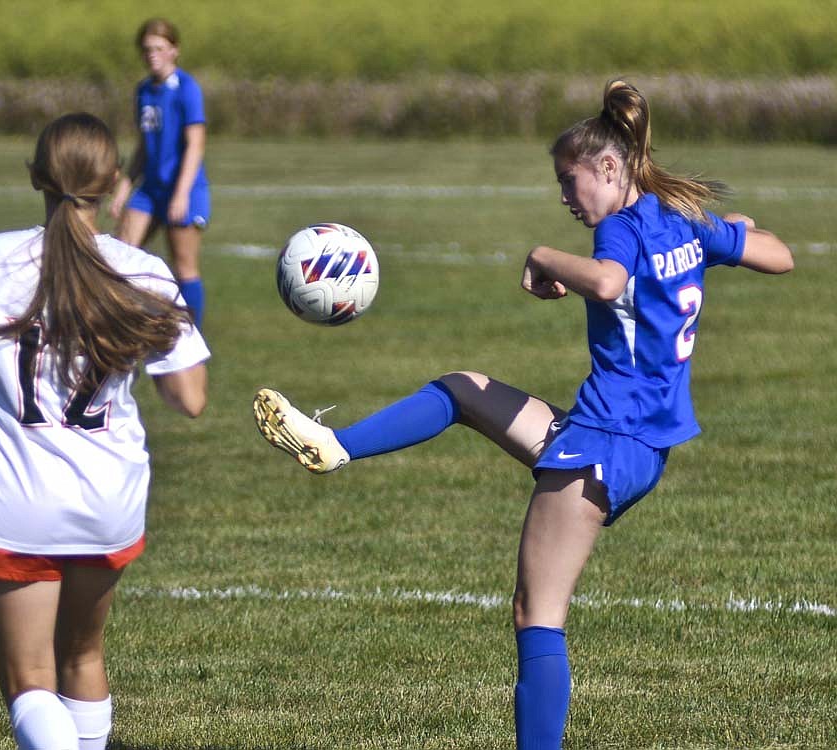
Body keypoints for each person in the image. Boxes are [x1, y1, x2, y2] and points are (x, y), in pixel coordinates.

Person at [252, 80, 793, 749]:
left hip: (602, 441)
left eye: (570, 183)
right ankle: (335, 444)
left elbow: (611, 281)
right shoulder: (678, 217)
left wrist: (542, 258)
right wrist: (725, 235)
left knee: (538, 616)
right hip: (635, 442)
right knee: (463, 390)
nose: (566, 198)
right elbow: (779, 254)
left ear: (607, 167)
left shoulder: (621, 228)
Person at [0, 113, 210, 750]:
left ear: (35, 179)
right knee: (82, 657)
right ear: (114, 186)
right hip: (107, 500)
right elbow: (188, 397)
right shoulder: (143, 272)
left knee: (31, 679)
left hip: (14, 499)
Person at [109, 17, 211, 330]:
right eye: (146, 49)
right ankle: (122, 329)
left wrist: (180, 195)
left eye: (159, 48)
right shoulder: (144, 91)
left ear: (174, 50)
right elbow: (144, 146)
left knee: (184, 268)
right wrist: (123, 190)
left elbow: (195, 145)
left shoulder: (186, 88)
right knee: (117, 259)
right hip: (150, 190)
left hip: (183, 189)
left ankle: (193, 336)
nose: (152, 54)